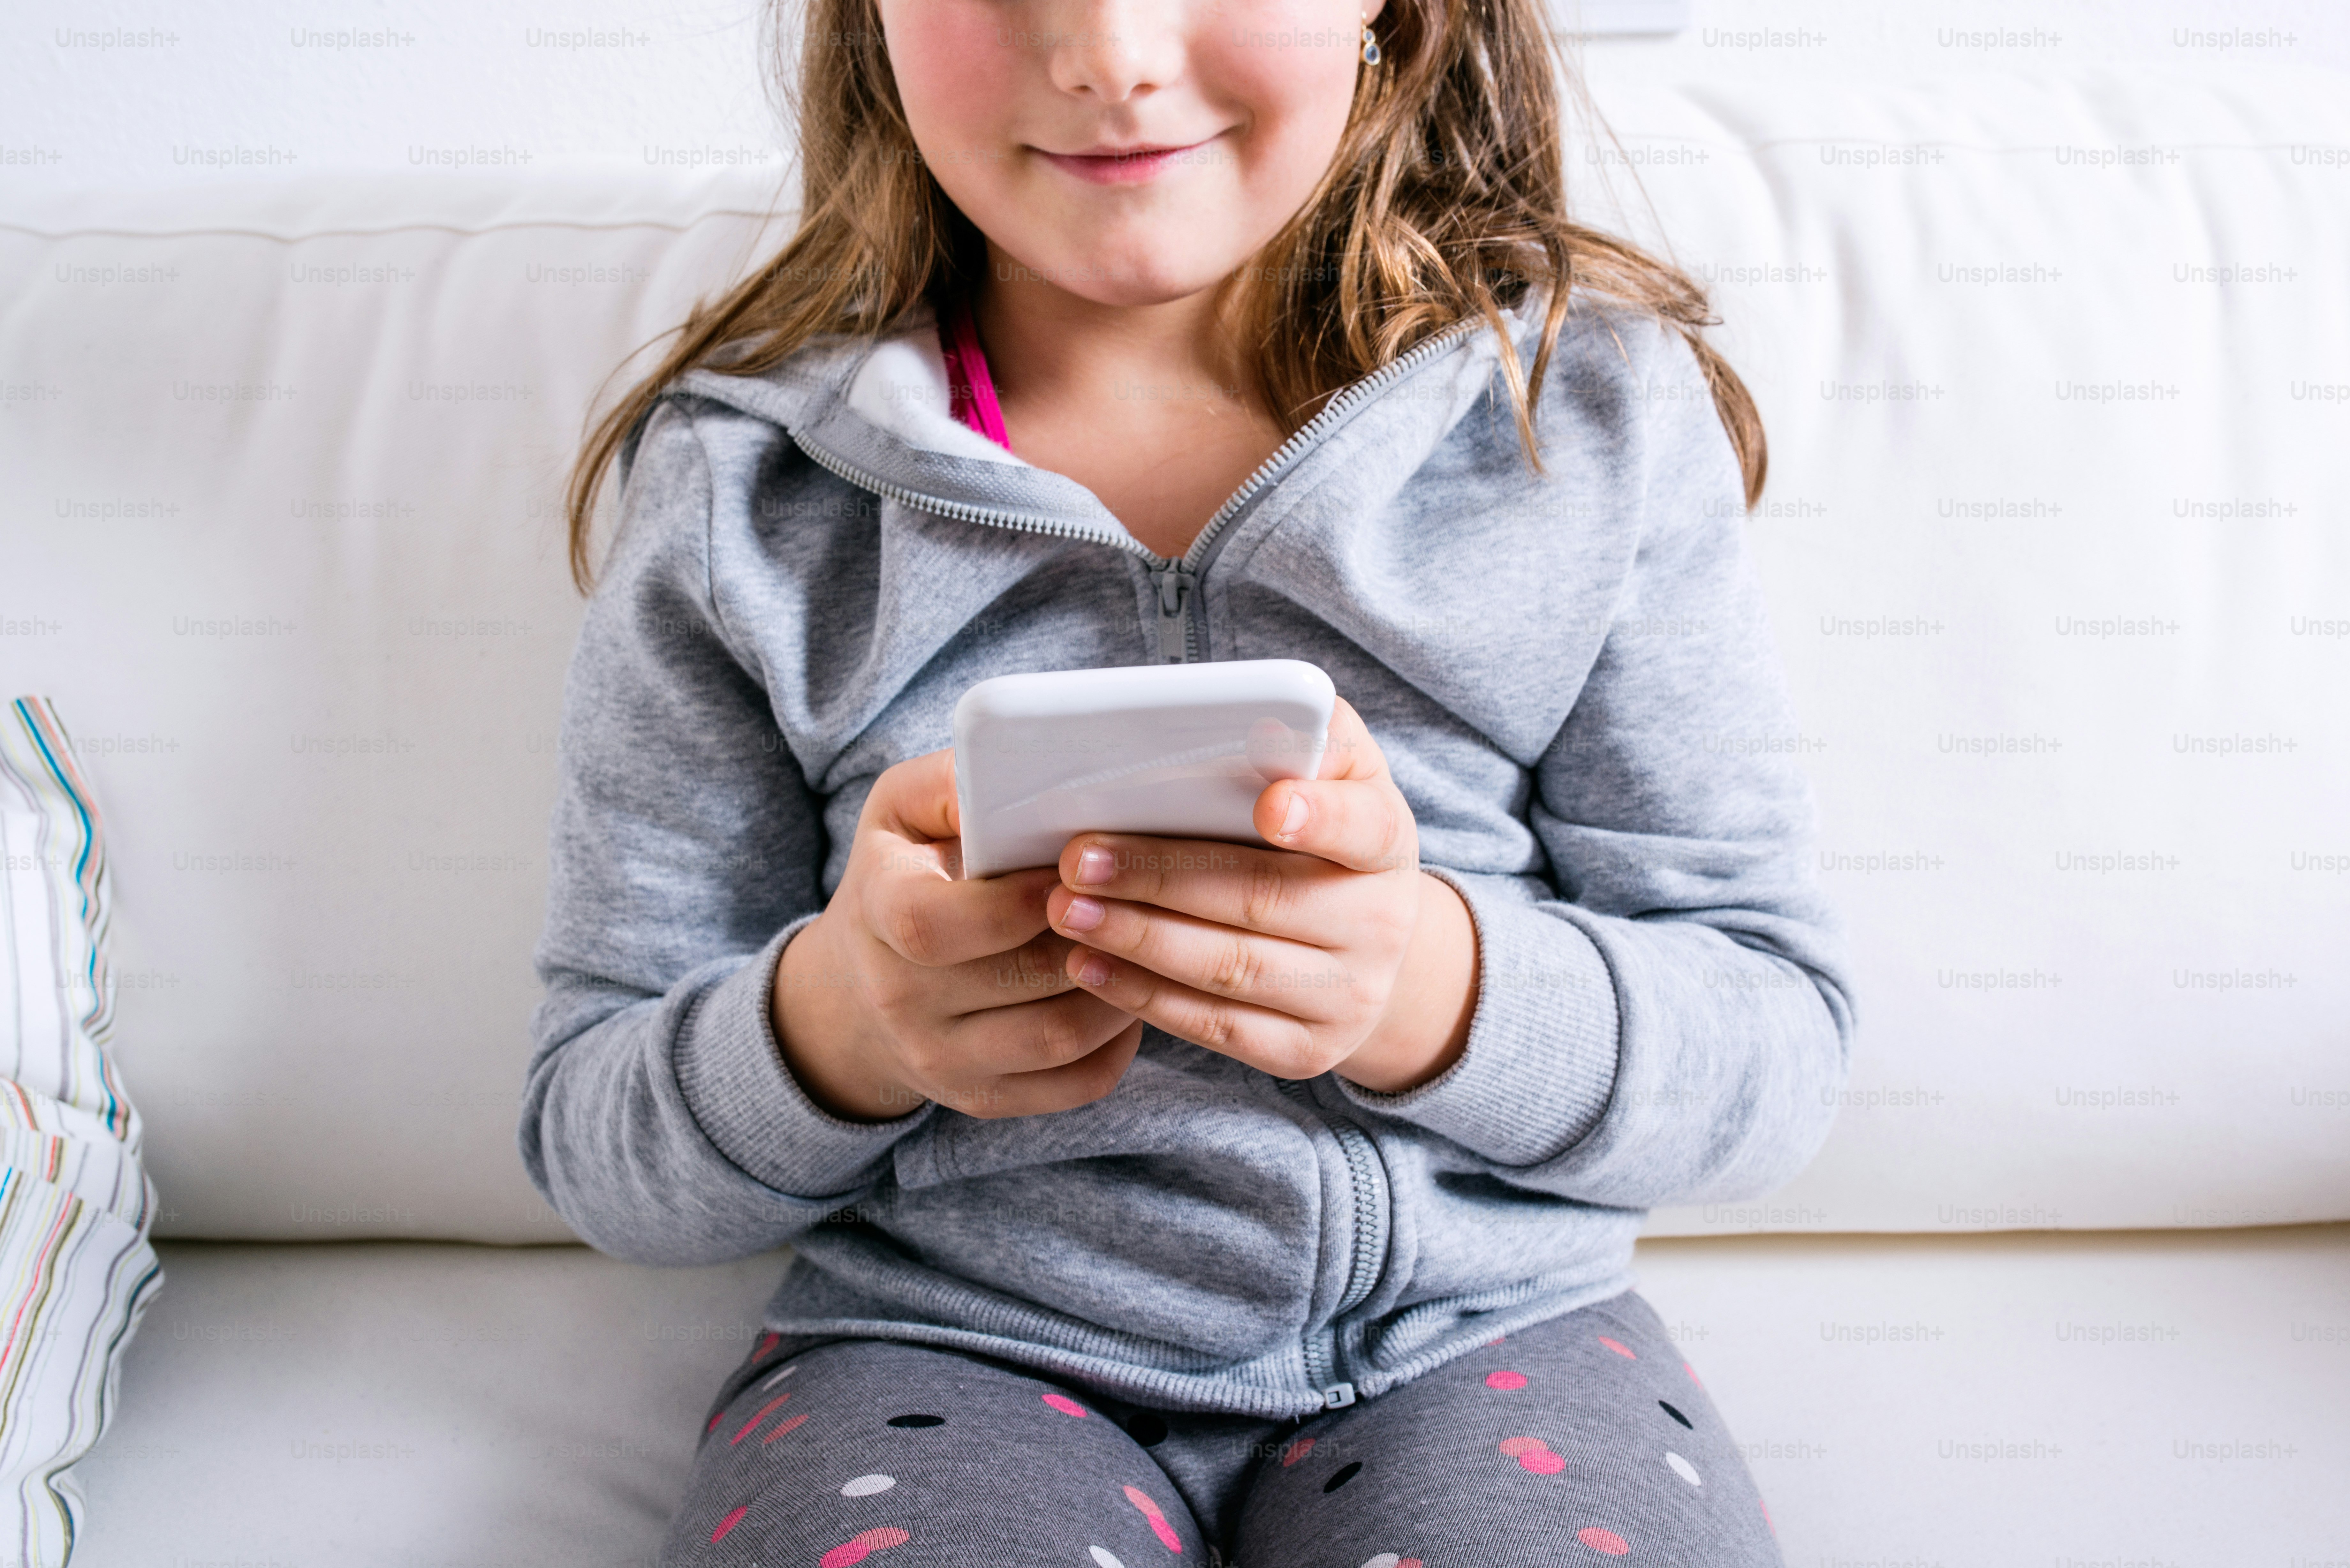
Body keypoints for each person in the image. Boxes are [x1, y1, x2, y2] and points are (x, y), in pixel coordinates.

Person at [520, 2, 1856, 1563]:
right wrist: (841, 1024)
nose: (1111, 55)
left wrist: (1428, 989)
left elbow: (1775, 1047)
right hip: (939, 1351)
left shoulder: (1584, 413)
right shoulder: (743, 491)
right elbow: (600, 1142)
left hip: (1489, 1336)